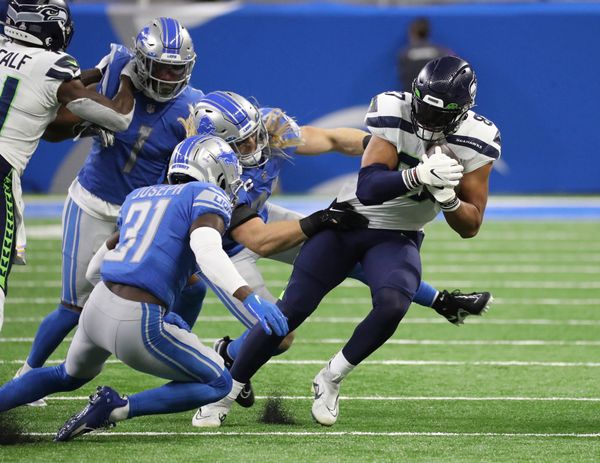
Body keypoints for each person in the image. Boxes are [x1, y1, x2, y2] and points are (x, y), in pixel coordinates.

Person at [193, 56, 501, 427]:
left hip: (389, 232)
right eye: (241, 142)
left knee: (392, 302)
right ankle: (226, 388)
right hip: (285, 229)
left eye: (255, 135)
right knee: (288, 313)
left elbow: (470, 225)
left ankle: (331, 377)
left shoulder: (476, 139)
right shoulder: (206, 170)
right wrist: (418, 175)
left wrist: (447, 197)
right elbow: (366, 189)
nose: (426, 120)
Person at [0, 135, 289, 442]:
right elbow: (206, 249)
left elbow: (94, 269)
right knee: (219, 382)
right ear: (217, 173)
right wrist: (249, 297)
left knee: (67, 375)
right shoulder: (206, 195)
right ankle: (117, 408)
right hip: (137, 319)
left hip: (98, 304)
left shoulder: (141, 195)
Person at [12, 17, 208, 406]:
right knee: (73, 306)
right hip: (93, 201)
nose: (170, 76)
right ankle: (29, 371)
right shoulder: (115, 65)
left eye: (177, 68)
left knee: (194, 285)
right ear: (142, 61)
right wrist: (85, 121)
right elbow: (58, 119)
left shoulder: (192, 108)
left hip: (139, 216)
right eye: (162, 66)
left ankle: (175, 332)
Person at [0, 0, 136, 333]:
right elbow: (118, 117)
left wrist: (97, 72)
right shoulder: (54, 66)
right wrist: (126, 76)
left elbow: (40, 102)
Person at [397, 17, 453, 91]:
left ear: (412, 33)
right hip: (435, 94)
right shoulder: (441, 51)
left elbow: (402, 74)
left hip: (411, 94)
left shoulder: (404, 53)